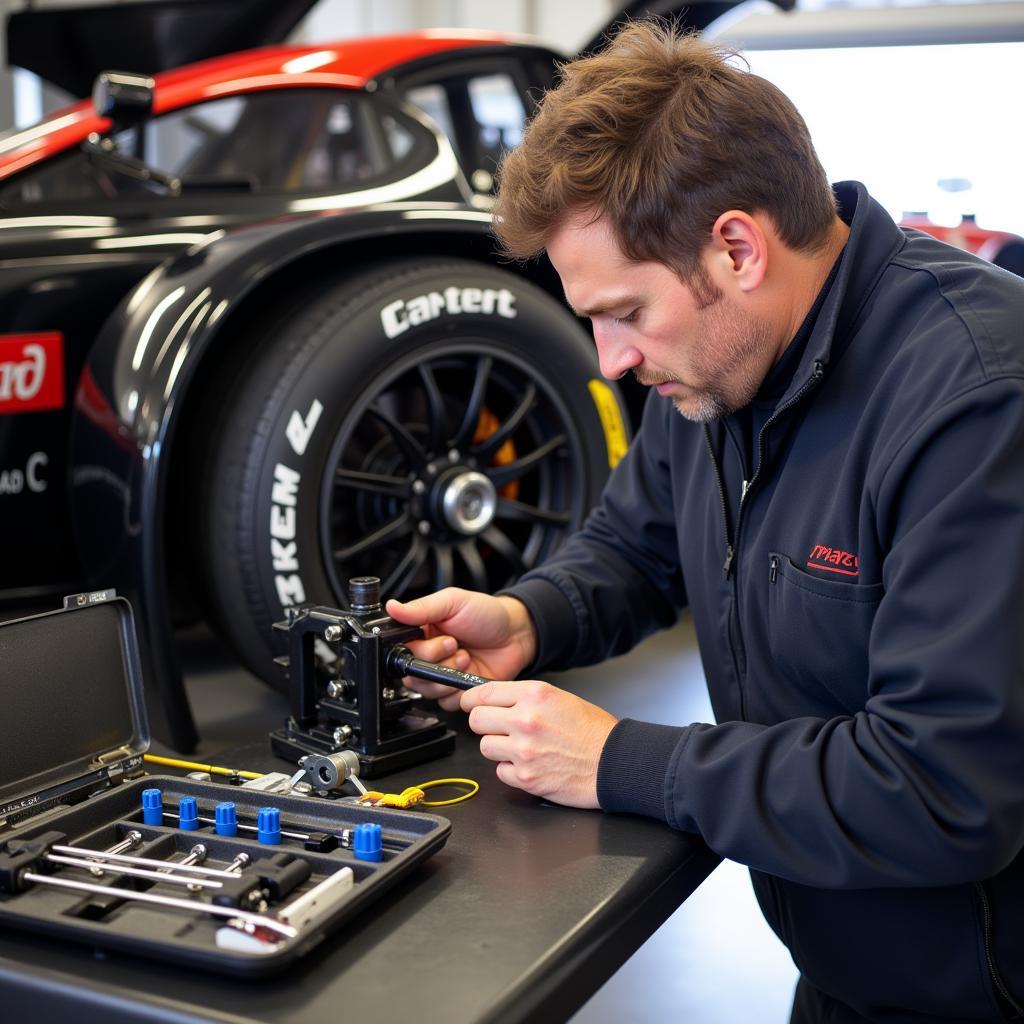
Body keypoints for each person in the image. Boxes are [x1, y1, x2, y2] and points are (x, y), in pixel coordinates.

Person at [386, 20, 1024, 1024]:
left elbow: (940, 787)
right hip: (843, 972)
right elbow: (636, 547)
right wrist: (530, 618)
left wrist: (620, 760)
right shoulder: (719, 368)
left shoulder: (977, 400)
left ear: (734, 247)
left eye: (625, 313)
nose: (609, 360)